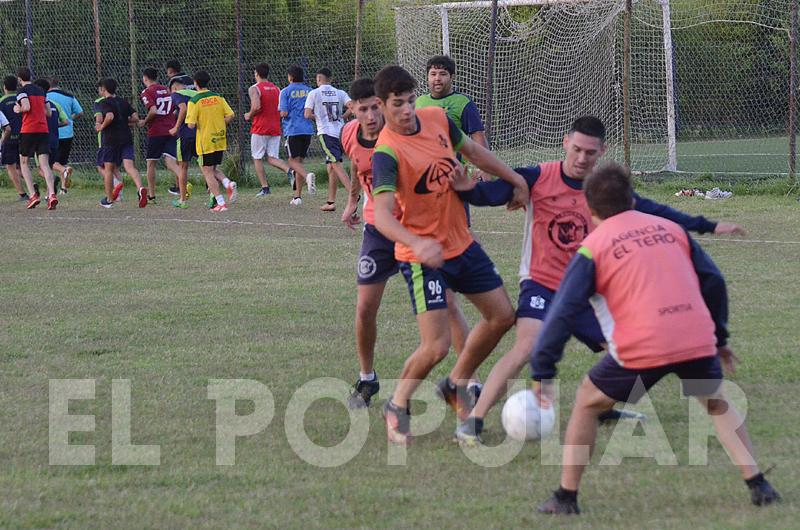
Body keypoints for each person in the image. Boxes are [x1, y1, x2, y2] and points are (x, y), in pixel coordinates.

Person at [452, 116, 746, 445]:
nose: (581, 158)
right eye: (576, 149)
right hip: (542, 285)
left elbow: (657, 211)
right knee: (526, 347)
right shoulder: (538, 176)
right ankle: (473, 422)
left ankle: (603, 407)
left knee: (631, 354)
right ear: (565, 143)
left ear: (601, 152)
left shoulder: (604, 192)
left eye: (589, 153)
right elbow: (494, 193)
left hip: (591, 293)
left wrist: (707, 225)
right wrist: (470, 190)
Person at [531, 162, 781, 514]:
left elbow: (563, 312)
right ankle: (759, 484)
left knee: (587, 402)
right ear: (632, 200)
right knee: (714, 402)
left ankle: (565, 497)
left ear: (589, 209)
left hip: (643, 345)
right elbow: (713, 281)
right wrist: (719, 338)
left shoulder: (592, 247)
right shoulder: (671, 230)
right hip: (693, 337)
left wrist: (543, 370)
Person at [370, 65, 529, 444]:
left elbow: (474, 152)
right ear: (381, 105)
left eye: (410, 100)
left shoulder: (437, 117)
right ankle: (397, 404)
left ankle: (456, 384)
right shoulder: (387, 152)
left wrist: (516, 179)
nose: (408, 110)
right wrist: (419, 242)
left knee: (502, 316)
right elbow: (381, 214)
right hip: (421, 256)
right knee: (436, 346)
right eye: (398, 104)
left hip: (461, 243)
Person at [340, 78, 475, 409]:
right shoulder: (347, 136)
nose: (372, 115)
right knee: (365, 307)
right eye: (364, 109)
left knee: (449, 303)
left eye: (376, 107)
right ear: (352, 110)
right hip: (378, 230)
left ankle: (469, 381)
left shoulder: (401, 135)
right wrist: (351, 202)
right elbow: (360, 173)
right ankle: (368, 378)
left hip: (418, 228)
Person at [185, 70, 237, 212]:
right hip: (219, 138)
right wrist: (220, 123)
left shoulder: (194, 101)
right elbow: (231, 115)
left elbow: (190, 125)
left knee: (207, 172)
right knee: (212, 169)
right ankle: (227, 183)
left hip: (205, 141)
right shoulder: (218, 97)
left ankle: (221, 203)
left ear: (195, 84)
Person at [304, 67, 351, 211]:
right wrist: (343, 117)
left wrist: (318, 117)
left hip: (326, 133)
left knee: (335, 165)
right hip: (341, 132)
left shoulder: (314, 93)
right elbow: (352, 106)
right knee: (331, 167)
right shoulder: (340, 92)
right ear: (331, 79)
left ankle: (353, 194)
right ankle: (331, 203)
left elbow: (307, 114)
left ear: (319, 79)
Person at [95, 78, 147, 209]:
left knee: (108, 169)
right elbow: (135, 117)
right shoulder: (123, 102)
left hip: (111, 139)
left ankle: (109, 199)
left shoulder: (104, 103)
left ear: (103, 89)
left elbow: (110, 116)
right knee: (129, 166)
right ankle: (140, 188)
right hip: (126, 137)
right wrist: (125, 122)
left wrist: (101, 127)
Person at [416, 55, 488, 149]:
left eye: (443, 74)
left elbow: (478, 137)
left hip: (455, 163)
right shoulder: (418, 102)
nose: (437, 78)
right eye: (433, 74)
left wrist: (485, 163)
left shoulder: (463, 103)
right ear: (427, 77)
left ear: (452, 77)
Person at [244, 62, 294, 197]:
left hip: (260, 128)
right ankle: (290, 171)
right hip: (275, 126)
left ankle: (265, 188)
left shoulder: (254, 88)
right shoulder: (277, 89)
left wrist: (249, 114)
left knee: (257, 158)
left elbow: (256, 106)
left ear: (256, 74)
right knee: (272, 158)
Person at [16, 67, 57, 210]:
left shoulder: (21, 92)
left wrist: (18, 109)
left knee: (24, 162)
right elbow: (48, 113)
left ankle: (33, 195)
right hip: (43, 129)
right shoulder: (41, 91)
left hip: (28, 129)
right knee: (45, 164)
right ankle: (52, 194)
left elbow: (26, 107)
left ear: (19, 79)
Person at [139, 67, 181, 203]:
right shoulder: (167, 89)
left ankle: (151, 195)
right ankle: (184, 182)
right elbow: (175, 109)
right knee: (171, 163)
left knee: (151, 163)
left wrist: (144, 122)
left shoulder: (147, 92)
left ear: (145, 78)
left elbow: (153, 110)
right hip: (170, 130)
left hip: (156, 131)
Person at [280, 65, 316, 206]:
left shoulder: (285, 91)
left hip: (293, 130)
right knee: (299, 162)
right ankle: (297, 197)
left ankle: (308, 177)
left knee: (292, 162)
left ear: (291, 77)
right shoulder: (310, 91)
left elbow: (283, 112)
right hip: (307, 130)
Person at [46, 76, 83, 191]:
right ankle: (63, 188)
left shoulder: (45, 97)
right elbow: (80, 112)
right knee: (62, 161)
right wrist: (70, 118)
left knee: (50, 163)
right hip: (67, 132)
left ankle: (63, 172)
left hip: (52, 133)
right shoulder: (69, 96)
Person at [168, 77, 197, 208]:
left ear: (173, 88)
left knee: (183, 166)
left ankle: (182, 200)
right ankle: (215, 194)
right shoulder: (195, 93)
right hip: (200, 133)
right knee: (206, 166)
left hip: (185, 134)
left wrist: (176, 127)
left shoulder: (176, 94)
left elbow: (183, 108)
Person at [0, 75, 26, 200]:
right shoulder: (20, 98)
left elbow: (4, 124)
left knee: (10, 165)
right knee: (22, 165)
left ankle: (22, 193)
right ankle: (33, 185)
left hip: (8, 137)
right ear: (17, 86)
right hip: (23, 135)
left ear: (4, 87)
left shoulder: (1, 102)